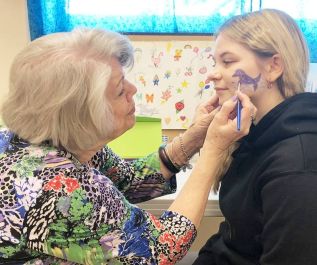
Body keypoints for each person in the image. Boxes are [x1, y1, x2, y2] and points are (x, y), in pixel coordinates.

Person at [0, 28, 255, 264]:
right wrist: (214, 150)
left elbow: (130, 180)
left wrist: (195, 137)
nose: (133, 89)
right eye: (121, 91)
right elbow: (160, 248)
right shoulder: (61, 188)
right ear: (83, 115)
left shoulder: (65, 141)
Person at [193, 8, 317, 265]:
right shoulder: (254, 133)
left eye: (227, 62)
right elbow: (234, 235)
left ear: (273, 67)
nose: (213, 74)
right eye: (215, 62)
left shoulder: (296, 165)